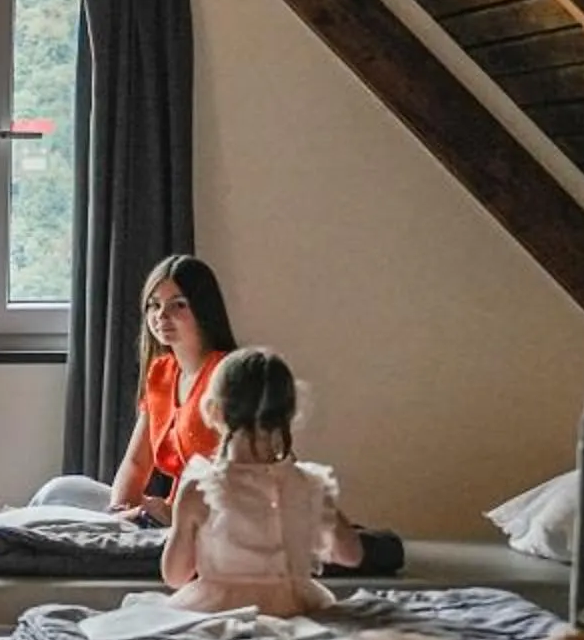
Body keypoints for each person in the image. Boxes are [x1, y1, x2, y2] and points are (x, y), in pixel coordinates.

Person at [159, 347, 363, 619]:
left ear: (214, 410)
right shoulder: (309, 484)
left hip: (222, 611)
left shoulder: (201, 489)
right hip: (295, 609)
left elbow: (174, 576)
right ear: (289, 415)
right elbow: (351, 555)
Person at [33, 253, 238, 522]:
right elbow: (137, 463)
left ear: (204, 309)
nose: (162, 316)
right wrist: (120, 513)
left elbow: (240, 481)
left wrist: (172, 516)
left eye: (178, 305)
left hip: (206, 523)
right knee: (58, 492)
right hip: (159, 515)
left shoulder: (229, 376)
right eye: (154, 306)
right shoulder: (161, 373)